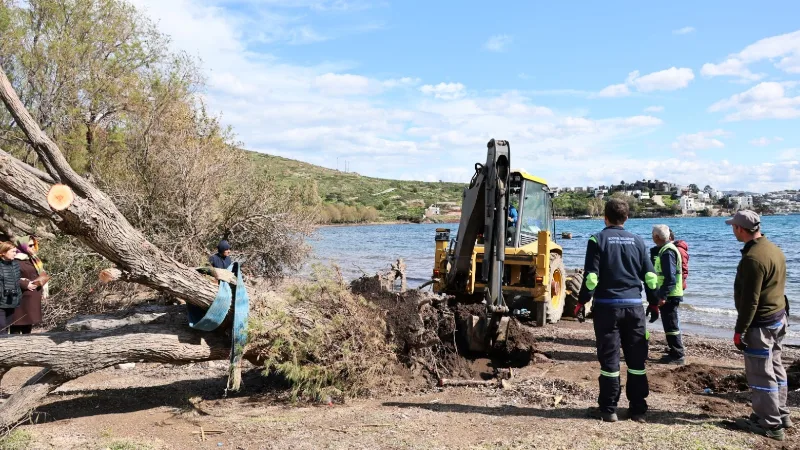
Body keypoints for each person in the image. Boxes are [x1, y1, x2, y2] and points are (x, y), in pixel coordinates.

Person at [573, 198, 659, 423]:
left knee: (610, 361)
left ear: (605, 217)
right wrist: (654, 302)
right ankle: (638, 409)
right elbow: (650, 277)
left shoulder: (597, 239)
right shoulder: (639, 241)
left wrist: (582, 301)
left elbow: (591, 277)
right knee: (637, 361)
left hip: (607, 309)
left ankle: (609, 409)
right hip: (633, 308)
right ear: (626, 218)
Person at [727, 210, 790, 441]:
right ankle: (780, 414)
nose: (732, 230)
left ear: (740, 229)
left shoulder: (753, 258)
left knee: (761, 374)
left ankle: (770, 424)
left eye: (733, 227)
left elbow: (750, 300)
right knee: (775, 366)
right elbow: (780, 285)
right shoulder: (774, 249)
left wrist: (739, 330)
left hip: (761, 323)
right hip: (777, 317)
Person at [651, 225, 685, 365]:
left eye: (653, 235)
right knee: (669, 324)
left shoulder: (667, 252)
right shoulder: (664, 250)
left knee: (671, 325)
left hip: (670, 294)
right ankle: (673, 351)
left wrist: (663, 296)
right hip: (669, 293)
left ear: (657, 237)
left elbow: (670, 278)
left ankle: (678, 354)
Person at [9, 236, 49, 334]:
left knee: (28, 325)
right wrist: (25, 284)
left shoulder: (34, 260)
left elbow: (40, 273)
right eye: (30, 245)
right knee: (17, 323)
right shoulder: (14, 259)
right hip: (21, 297)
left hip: (33, 296)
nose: (33, 248)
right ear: (22, 246)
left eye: (34, 245)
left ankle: (27, 348)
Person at [0, 241, 32, 332]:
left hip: (12, 301)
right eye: (12, 251)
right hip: (1, 303)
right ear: (3, 252)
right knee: (1, 328)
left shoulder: (15, 265)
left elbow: (16, 280)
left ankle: (7, 346)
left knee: (7, 326)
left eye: (15, 251)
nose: (15, 254)